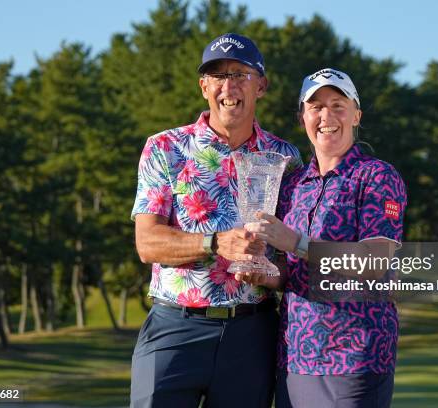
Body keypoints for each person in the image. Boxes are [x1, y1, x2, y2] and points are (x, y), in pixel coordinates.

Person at [129, 33, 301, 408]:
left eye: (240, 74)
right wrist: (215, 242)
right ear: (204, 87)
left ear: (262, 86)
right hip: (176, 328)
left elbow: (294, 252)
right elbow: (148, 243)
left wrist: (272, 274)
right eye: (218, 76)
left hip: (252, 332)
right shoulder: (165, 147)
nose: (229, 86)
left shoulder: (286, 156)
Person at [243, 68, 407, 407]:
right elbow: (291, 274)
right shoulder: (291, 184)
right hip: (295, 357)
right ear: (303, 117)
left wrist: (296, 243)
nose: (326, 116)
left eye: (337, 105)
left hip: (356, 356)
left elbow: (375, 263)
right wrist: (267, 275)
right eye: (315, 106)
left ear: (356, 115)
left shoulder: (377, 177)